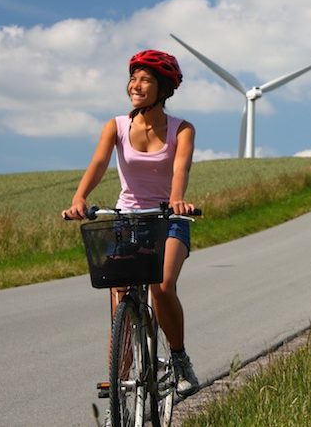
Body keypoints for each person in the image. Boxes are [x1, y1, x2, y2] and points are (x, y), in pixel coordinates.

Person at [63, 49, 200, 399]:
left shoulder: (182, 129)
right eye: (134, 78)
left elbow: (180, 168)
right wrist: (79, 198)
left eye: (146, 80)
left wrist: (177, 199)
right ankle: (121, 373)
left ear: (163, 89)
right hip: (127, 218)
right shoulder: (117, 126)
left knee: (163, 285)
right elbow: (97, 163)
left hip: (167, 218)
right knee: (119, 293)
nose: (136, 85)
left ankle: (181, 360)